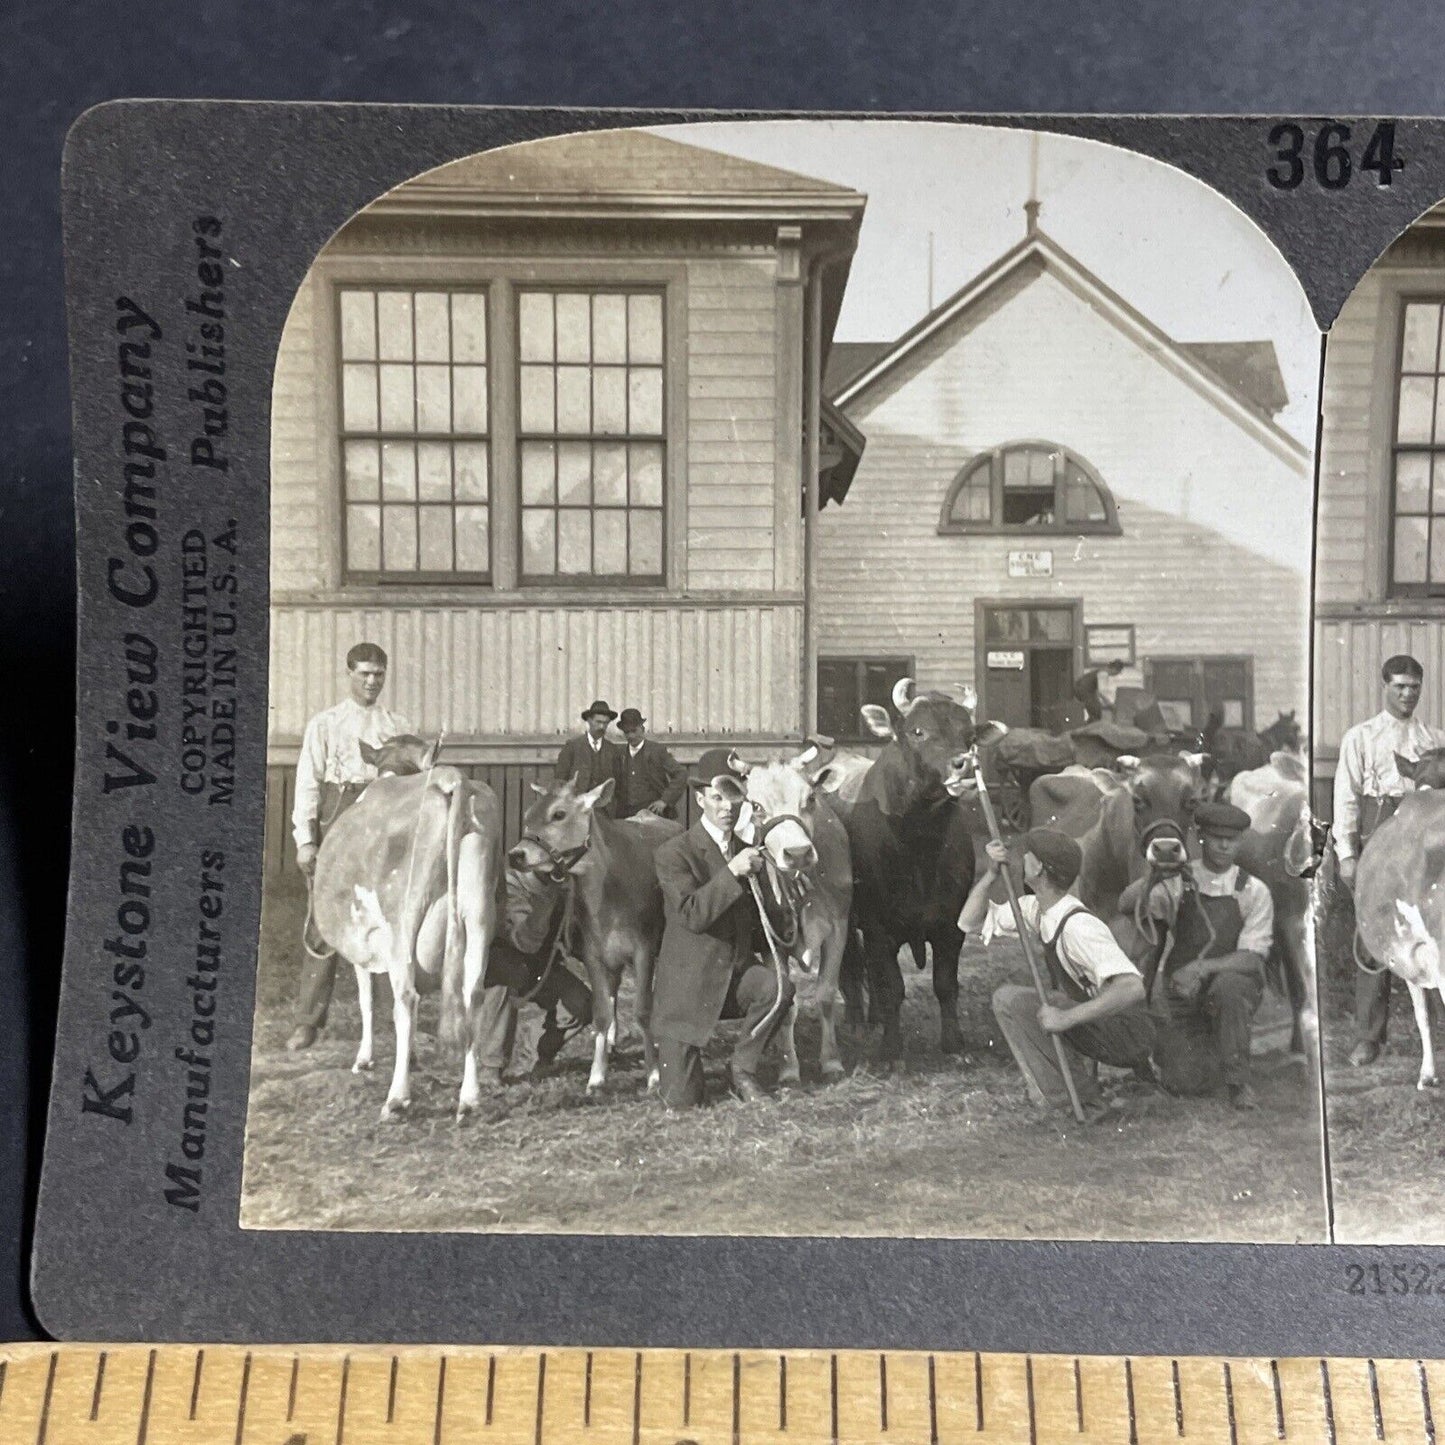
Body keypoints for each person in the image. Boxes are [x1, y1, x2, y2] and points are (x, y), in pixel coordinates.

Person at [959, 828, 1154, 1124]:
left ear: (1038, 868)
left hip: (1127, 1035)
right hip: (1099, 1023)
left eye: (1027, 854)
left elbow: (1132, 988)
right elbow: (968, 922)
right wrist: (989, 876)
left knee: (1028, 1002)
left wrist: (1067, 1018)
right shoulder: (1037, 909)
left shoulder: (1079, 926)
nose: (1020, 858)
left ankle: (1084, 1103)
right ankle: (1064, 1096)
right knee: (1009, 999)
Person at [650, 748, 795, 1108]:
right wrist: (732, 872)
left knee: (778, 987)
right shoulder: (674, 852)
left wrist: (786, 894)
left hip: (734, 979)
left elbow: (766, 928)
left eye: (734, 797)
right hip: (687, 993)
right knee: (682, 1103)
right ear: (700, 799)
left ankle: (743, 1070)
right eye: (717, 797)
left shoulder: (752, 852)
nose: (727, 806)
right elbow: (692, 914)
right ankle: (684, 1068)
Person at [287, 642, 410, 1052]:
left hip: (383, 821)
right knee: (325, 918)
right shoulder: (326, 724)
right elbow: (307, 783)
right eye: (364, 674)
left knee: (391, 918)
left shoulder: (398, 725)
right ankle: (308, 1021)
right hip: (338, 817)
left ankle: (398, 1023)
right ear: (349, 674)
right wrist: (306, 841)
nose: (372, 681)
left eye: (379, 674)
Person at [1121, 801, 1273, 1110]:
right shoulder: (1180, 879)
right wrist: (1156, 874)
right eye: (1216, 837)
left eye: (1231, 838)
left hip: (1228, 993)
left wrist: (1200, 968)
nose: (1224, 845)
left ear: (1240, 840)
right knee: (1184, 1083)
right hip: (1183, 996)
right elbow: (1127, 904)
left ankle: (1238, 1083)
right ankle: (1211, 1053)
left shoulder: (1253, 890)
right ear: (1201, 838)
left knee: (1230, 986)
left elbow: (1252, 959)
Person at [1334, 654, 1445, 1065]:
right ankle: (1369, 1036)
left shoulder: (1434, 738)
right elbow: (1345, 798)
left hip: (1428, 832)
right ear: (1385, 686)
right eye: (1399, 685)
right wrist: (1347, 855)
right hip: (1379, 830)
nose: (1407, 693)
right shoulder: (1361, 737)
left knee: (1436, 928)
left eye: (1414, 686)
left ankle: (1434, 1039)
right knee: (1373, 932)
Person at [555, 700, 625, 815]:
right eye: (598, 722)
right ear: (589, 720)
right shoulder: (572, 747)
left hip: (604, 812)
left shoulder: (612, 750)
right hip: (577, 810)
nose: (602, 726)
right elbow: (560, 780)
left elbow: (618, 785)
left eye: (605, 723)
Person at [615, 707, 686, 819]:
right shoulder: (619, 753)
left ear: (642, 729)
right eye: (627, 732)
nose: (631, 736)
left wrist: (664, 801)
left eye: (634, 731)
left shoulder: (656, 751)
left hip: (653, 814)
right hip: (626, 815)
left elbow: (681, 773)